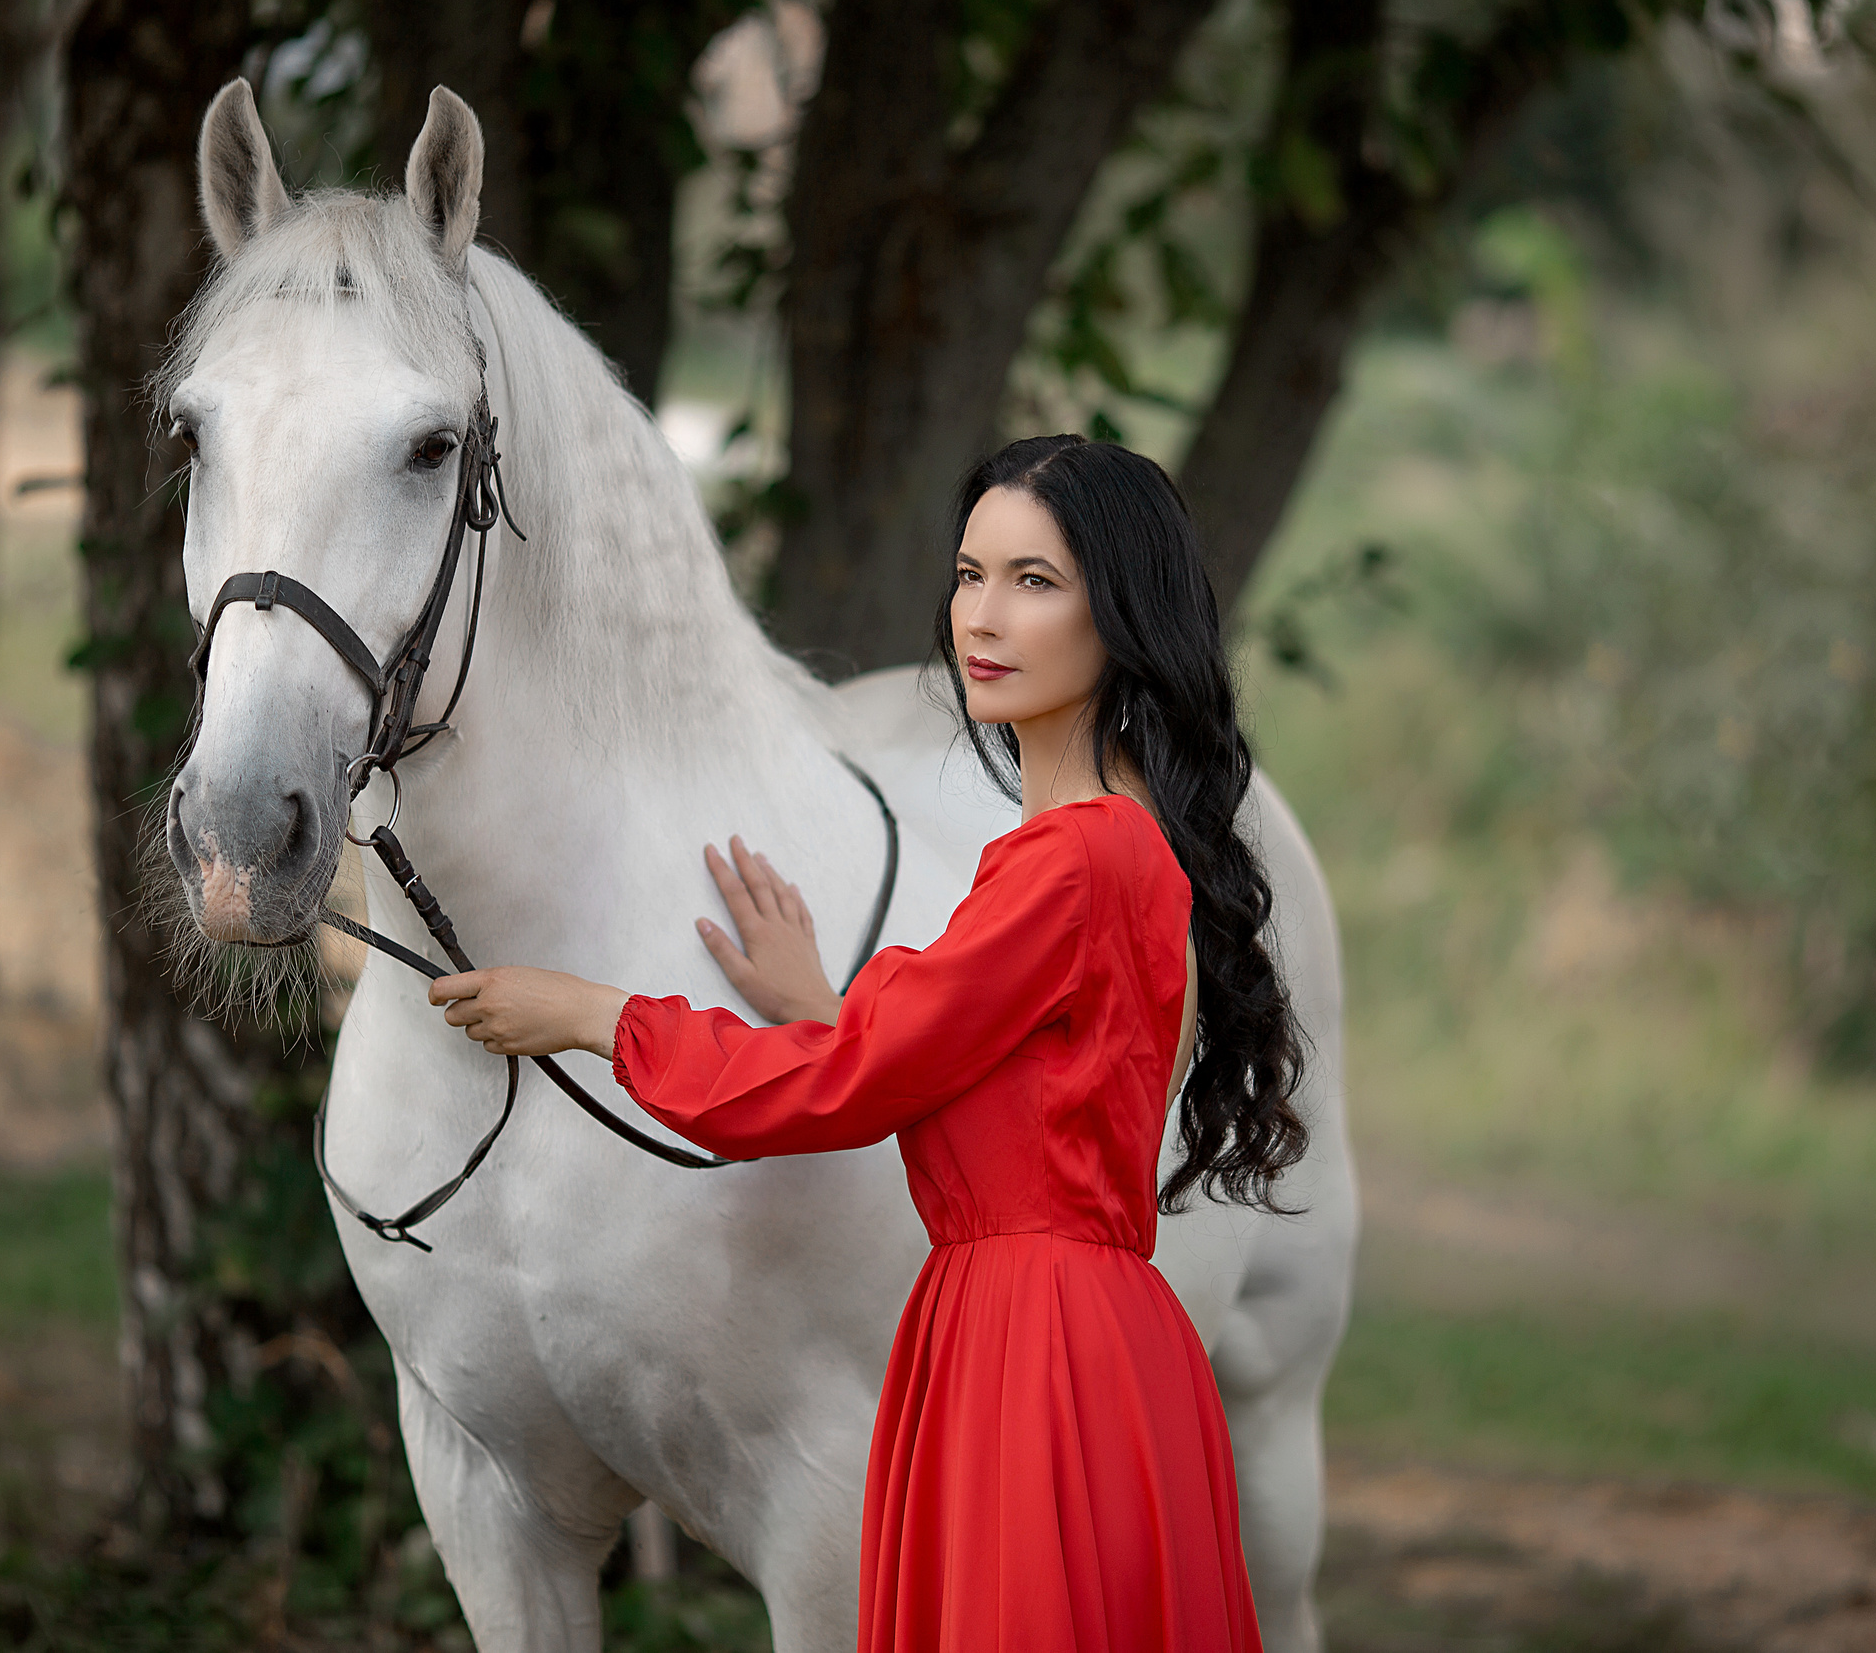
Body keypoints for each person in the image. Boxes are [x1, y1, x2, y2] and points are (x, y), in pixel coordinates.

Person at [429, 434, 1309, 1652]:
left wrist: (593, 1014)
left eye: (1035, 582)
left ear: (1123, 613)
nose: (982, 618)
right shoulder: (1107, 842)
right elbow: (993, 1093)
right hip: (1071, 1333)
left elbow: (846, 1091)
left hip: (1032, 1343)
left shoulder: (1075, 857)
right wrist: (823, 1007)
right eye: (969, 573)